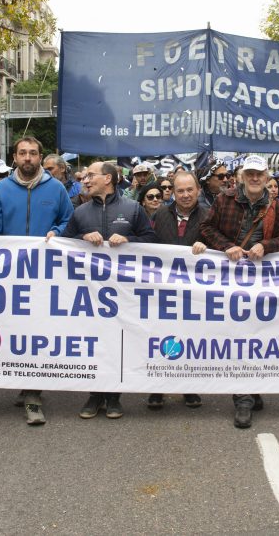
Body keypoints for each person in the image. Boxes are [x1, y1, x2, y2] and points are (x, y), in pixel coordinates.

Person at [0, 137, 73, 425]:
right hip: (11, 273)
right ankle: (24, 379)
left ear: (40, 157)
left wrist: (57, 233)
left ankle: (33, 394)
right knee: (15, 328)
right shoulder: (1, 189)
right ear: (14, 157)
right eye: (23, 153)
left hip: (46, 272)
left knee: (38, 329)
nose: (28, 158)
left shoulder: (56, 189)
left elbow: (67, 222)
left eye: (33, 153)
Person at [200, 155, 279, 428]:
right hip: (230, 278)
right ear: (242, 176)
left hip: (262, 279)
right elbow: (206, 228)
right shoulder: (224, 199)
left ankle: (253, 388)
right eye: (250, 173)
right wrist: (227, 245)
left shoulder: (277, 204)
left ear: (267, 177)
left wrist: (267, 245)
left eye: (259, 174)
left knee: (259, 333)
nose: (254, 178)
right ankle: (242, 397)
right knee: (237, 334)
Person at [62, 161, 155, 420]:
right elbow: (65, 245)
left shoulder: (133, 208)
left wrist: (129, 240)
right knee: (92, 342)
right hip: (89, 293)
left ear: (109, 179)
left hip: (122, 292)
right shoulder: (80, 212)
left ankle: (114, 396)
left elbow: (150, 240)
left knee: (117, 341)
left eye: (91, 175)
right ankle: (94, 394)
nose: (85, 179)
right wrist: (81, 239)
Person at [148, 170, 208, 411]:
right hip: (163, 289)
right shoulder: (159, 214)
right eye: (180, 191)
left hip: (195, 291)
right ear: (172, 192)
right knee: (157, 336)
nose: (185, 195)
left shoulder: (209, 216)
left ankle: (189, 386)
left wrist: (209, 245)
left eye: (189, 190)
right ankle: (155, 388)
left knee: (191, 337)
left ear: (198, 190)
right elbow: (147, 244)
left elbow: (222, 243)